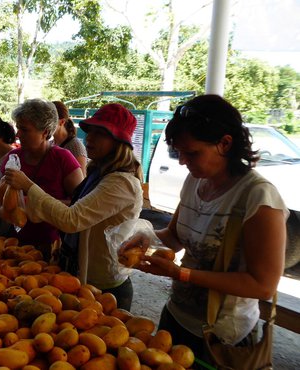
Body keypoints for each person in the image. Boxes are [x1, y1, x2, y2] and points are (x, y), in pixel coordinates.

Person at [120, 95, 286, 360]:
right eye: (179, 152)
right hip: (176, 316)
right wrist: (146, 238)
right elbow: (175, 236)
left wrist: (181, 273)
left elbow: (262, 285)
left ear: (225, 143)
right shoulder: (195, 182)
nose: (183, 161)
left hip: (221, 335)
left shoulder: (257, 198)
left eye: (192, 153)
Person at [3, 103, 143, 310]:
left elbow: (72, 219)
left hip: (104, 285)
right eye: (90, 131)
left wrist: (28, 186)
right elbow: (76, 209)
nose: (89, 139)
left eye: (100, 134)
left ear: (118, 142)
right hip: (79, 274)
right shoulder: (99, 171)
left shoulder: (121, 183)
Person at [1, 99, 84, 260]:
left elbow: (80, 205)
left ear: (45, 132)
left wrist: (31, 202)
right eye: (18, 128)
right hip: (14, 243)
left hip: (52, 247)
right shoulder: (12, 158)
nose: (18, 135)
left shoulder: (62, 159)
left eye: (24, 130)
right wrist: (5, 205)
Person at [52, 101, 87, 176]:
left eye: (50, 121)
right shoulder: (51, 143)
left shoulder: (75, 146)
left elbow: (81, 180)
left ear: (61, 122)